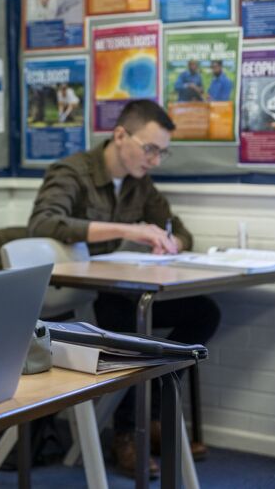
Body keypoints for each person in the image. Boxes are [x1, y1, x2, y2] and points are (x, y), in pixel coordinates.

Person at [28, 100, 220, 478]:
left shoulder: (139, 183)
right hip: (78, 294)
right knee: (130, 320)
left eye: (162, 152)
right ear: (120, 135)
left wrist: (171, 242)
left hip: (121, 288)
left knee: (204, 312)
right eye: (150, 149)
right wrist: (130, 230)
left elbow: (180, 230)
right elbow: (43, 223)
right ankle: (127, 433)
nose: (155, 160)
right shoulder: (72, 172)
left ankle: (151, 414)